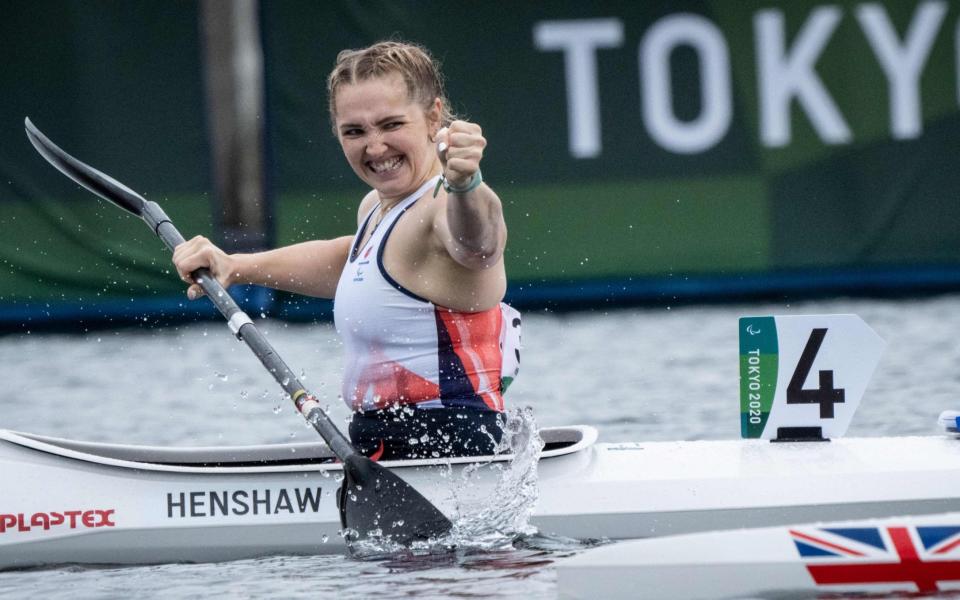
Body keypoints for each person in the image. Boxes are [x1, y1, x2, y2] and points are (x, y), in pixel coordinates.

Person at [173, 40, 517, 461]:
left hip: (454, 447)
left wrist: (468, 186)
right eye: (354, 131)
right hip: (381, 446)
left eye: (391, 125)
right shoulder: (377, 206)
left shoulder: (445, 203)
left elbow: (480, 246)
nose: (374, 148)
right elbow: (348, 262)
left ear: (432, 117)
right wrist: (234, 265)